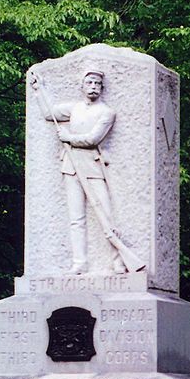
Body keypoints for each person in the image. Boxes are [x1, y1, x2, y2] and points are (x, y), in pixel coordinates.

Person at [33, 70, 126, 275]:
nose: (93, 86)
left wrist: (68, 137)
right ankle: (79, 262)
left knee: (106, 215)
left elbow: (93, 139)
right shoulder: (74, 108)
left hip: (92, 168)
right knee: (76, 219)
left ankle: (118, 260)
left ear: (102, 87)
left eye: (97, 83)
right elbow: (50, 113)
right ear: (82, 86)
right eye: (89, 82)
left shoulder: (107, 112)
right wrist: (40, 90)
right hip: (71, 167)